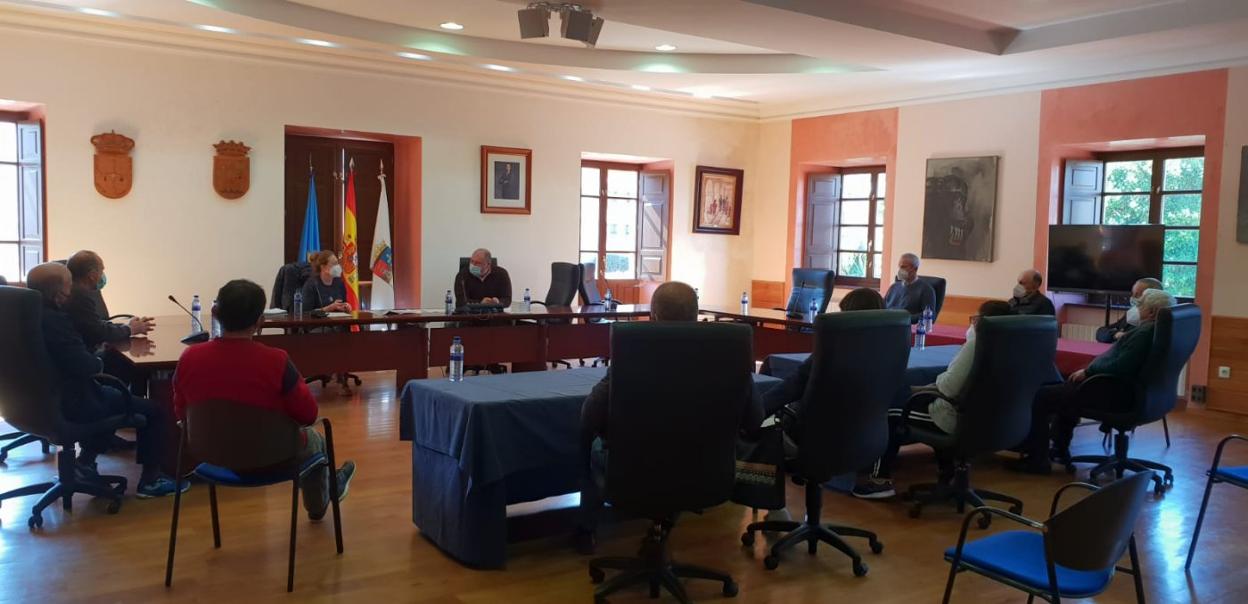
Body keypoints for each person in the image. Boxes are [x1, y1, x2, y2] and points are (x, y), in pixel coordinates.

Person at [574, 281, 762, 552]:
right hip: (706, 472)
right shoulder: (729, 349)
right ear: (697, 315)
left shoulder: (635, 349)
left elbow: (590, 415)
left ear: (653, 317)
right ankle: (662, 527)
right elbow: (755, 418)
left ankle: (585, 528)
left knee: (590, 445)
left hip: (636, 471)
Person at [172, 279, 356, 520]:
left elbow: (180, 413)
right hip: (272, 457)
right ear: (261, 321)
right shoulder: (276, 361)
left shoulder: (189, 358)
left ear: (215, 314)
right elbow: (308, 415)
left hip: (209, 453)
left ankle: (330, 486)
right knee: (314, 438)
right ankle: (321, 501)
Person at [26, 262, 184, 498]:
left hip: (36, 402)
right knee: (155, 410)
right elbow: (86, 365)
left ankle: (85, 464)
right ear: (60, 294)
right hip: (73, 400)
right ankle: (151, 482)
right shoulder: (56, 322)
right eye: (70, 286)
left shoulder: (27, 315)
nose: (73, 292)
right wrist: (99, 357)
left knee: (113, 393)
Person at [853, 300, 1014, 499]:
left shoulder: (977, 345)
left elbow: (948, 388)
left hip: (955, 419)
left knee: (891, 412)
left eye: (975, 319)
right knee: (909, 393)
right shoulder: (1012, 347)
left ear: (983, 322)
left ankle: (879, 480)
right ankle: (948, 471)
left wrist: (930, 386)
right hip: (995, 420)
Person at [1011, 288, 1177, 474]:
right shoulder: (1163, 331)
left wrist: (1089, 371)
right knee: (1064, 389)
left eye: (1141, 305)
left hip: (1112, 391)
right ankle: (1058, 449)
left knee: (1041, 396)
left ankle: (1037, 460)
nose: (1137, 308)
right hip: (1142, 395)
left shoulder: (1144, 333)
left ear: (1152, 312)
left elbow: (1121, 365)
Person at [64, 250, 155, 350]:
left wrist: (126, 326)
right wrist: (131, 329)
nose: (103, 275)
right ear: (92, 275)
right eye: (101, 270)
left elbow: (94, 323)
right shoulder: (79, 296)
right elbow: (98, 332)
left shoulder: (72, 290)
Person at [1096, 278, 1163, 343]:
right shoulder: (1132, 313)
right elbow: (1101, 332)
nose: (1133, 297)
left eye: (1138, 294)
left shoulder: (1155, 323)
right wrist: (1115, 334)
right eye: (1133, 293)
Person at [883, 253, 936, 324]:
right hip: (887, 324)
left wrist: (903, 319)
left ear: (915, 269)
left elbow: (929, 315)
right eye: (899, 267)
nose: (900, 270)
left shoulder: (926, 290)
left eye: (903, 267)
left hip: (906, 327)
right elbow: (882, 306)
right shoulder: (894, 287)